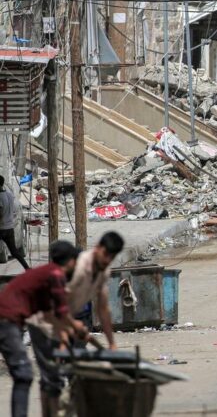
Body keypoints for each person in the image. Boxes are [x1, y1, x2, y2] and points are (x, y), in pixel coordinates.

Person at [28, 232, 124, 415]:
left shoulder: (103, 271)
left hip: (67, 321)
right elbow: (57, 305)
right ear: (98, 248)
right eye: (106, 254)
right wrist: (65, 336)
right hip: (43, 322)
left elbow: (103, 309)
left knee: (77, 370)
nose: (107, 260)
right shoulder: (76, 268)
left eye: (112, 257)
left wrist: (111, 343)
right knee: (51, 375)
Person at [0, 241, 85, 417]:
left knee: (23, 374)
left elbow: (48, 315)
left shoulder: (44, 274)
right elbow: (62, 311)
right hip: (6, 321)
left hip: (8, 321)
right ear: (69, 261)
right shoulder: (55, 274)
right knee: (23, 374)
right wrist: (75, 325)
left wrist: (66, 331)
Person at [0, 176, 29, 269]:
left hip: (1, 228)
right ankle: (27, 268)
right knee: (15, 252)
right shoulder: (9, 195)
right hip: (9, 228)